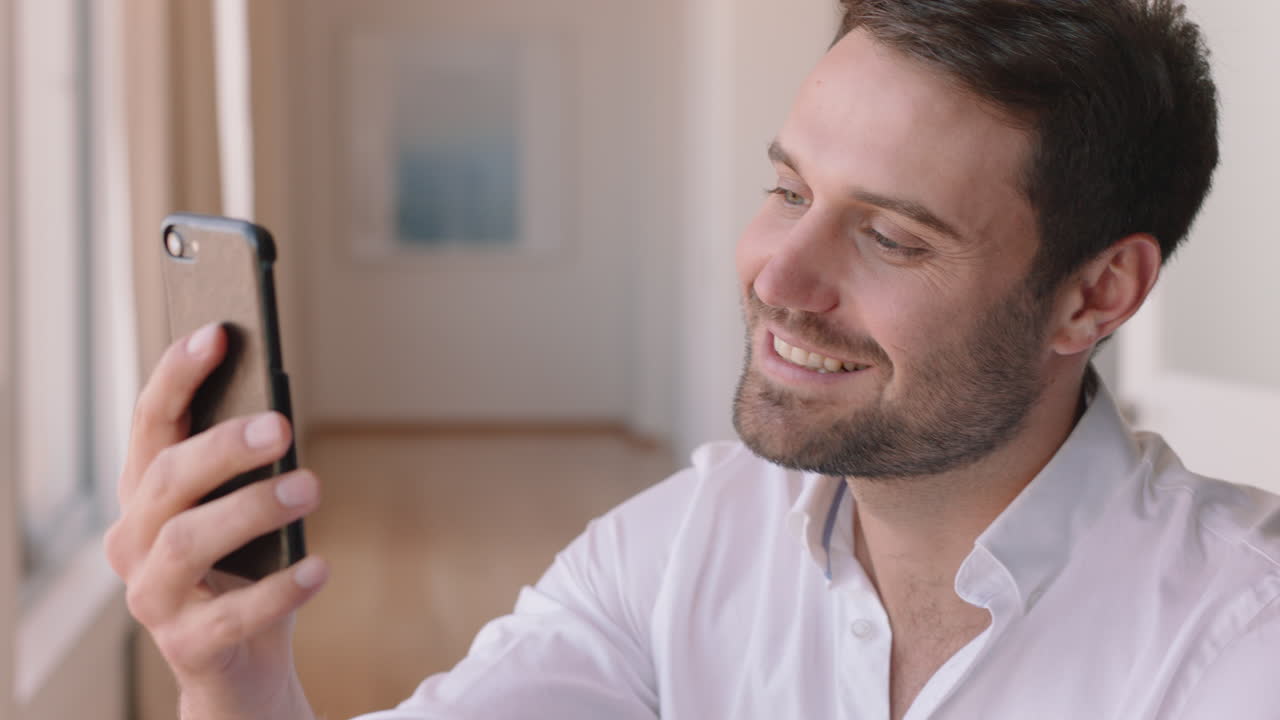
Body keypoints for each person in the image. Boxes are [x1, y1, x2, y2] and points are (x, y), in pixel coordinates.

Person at [106, 1, 1280, 718]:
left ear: (1095, 294)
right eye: (786, 189)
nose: (776, 275)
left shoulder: (1239, 641)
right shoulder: (680, 550)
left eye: (887, 235)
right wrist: (237, 685)